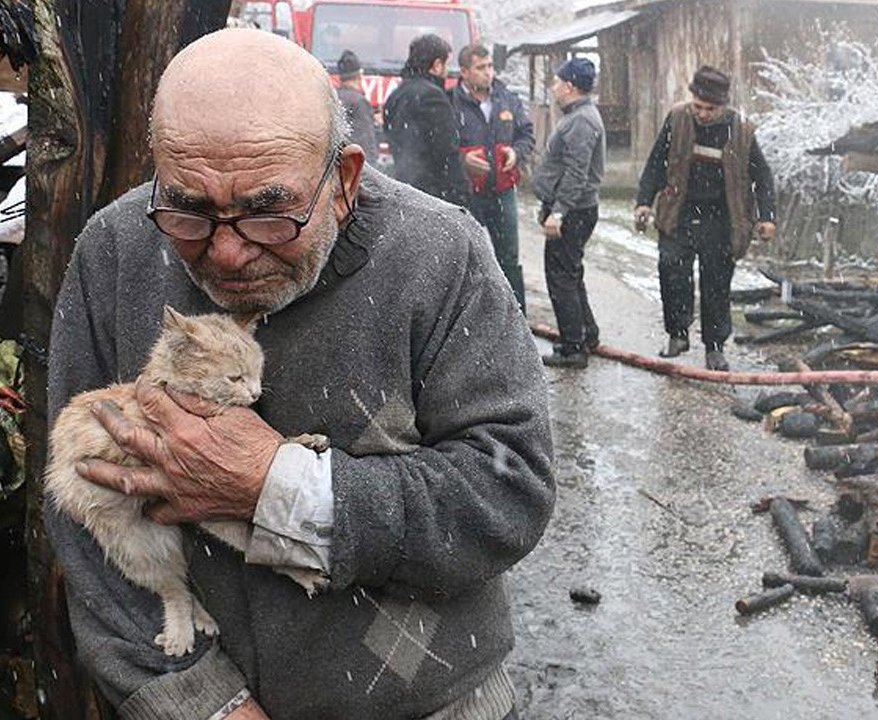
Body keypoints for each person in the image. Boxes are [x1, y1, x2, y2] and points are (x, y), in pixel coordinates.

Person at [46, 28, 552, 720]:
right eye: (188, 208)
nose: (225, 252)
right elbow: (78, 516)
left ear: (342, 180)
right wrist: (202, 704)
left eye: (267, 212)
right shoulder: (114, 252)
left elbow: (508, 493)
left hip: (436, 703)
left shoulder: (441, 255)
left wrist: (276, 487)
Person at [634, 66, 777, 372]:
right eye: (697, 106)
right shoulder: (678, 119)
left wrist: (766, 216)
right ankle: (678, 333)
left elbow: (762, 176)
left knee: (716, 284)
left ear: (723, 105)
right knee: (670, 269)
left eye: (710, 109)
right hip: (679, 213)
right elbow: (656, 162)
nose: (702, 114)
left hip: (722, 219)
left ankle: (715, 347)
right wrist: (644, 201)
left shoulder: (741, 130)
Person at [531, 57, 605, 368]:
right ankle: (586, 333)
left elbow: (577, 172)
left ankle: (574, 348)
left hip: (573, 211)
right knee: (570, 274)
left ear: (569, 86)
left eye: (557, 82)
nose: (553, 88)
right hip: (573, 208)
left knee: (561, 277)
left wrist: (558, 212)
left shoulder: (582, 121)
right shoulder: (579, 116)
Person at [450, 44, 535, 312]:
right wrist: (462, 160)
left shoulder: (506, 98)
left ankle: (517, 315)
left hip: (503, 190)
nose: (488, 73)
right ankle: (473, 317)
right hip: (468, 194)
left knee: (509, 257)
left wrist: (516, 152)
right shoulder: (450, 102)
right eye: (481, 68)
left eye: (490, 66)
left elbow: (526, 134)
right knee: (467, 258)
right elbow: (441, 147)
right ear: (464, 72)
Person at [382, 33, 469, 205]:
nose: (447, 71)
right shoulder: (433, 97)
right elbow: (446, 153)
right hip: (432, 195)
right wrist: (462, 197)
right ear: (436, 65)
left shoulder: (395, 96)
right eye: (447, 65)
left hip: (404, 191)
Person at [335, 50, 378, 166]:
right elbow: (366, 141)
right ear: (360, 75)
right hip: (354, 165)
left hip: (337, 163)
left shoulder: (333, 97)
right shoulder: (359, 101)